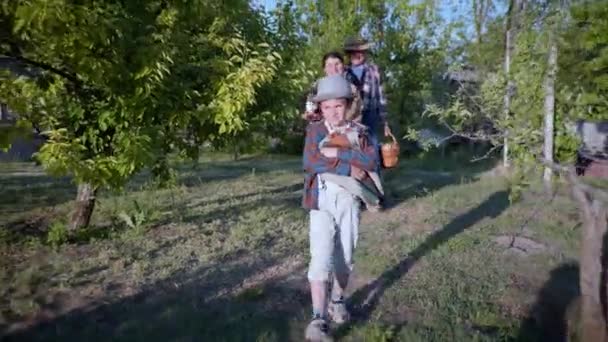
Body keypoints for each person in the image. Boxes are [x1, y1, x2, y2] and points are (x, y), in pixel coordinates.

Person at [302, 75, 379, 341]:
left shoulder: (360, 132)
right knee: (320, 258)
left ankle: (337, 300)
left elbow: (370, 161)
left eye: (338, 106)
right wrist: (347, 166)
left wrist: (337, 154)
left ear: (347, 105)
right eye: (327, 107)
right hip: (320, 201)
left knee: (344, 260)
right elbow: (311, 162)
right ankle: (318, 319)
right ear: (320, 108)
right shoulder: (315, 131)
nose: (333, 112)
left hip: (348, 201)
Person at [343, 37, 393, 206]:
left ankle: (378, 195)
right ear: (350, 54)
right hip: (351, 118)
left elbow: (381, 97)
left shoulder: (374, 70)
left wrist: (385, 121)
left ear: (365, 53)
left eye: (361, 52)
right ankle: (357, 194)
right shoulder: (344, 72)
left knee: (372, 154)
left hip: (370, 115)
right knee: (353, 156)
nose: (358, 55)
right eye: (354, 52)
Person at [302, 51, 362, 123]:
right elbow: (310, 109)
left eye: (337, 64)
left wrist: (337, 120)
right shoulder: (317, 87)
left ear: (343, 66)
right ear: (324, 69)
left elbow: (356, 112)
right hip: (322, 129)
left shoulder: (352, 88)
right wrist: (312, 115)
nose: (334, 68)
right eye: (329, 65)